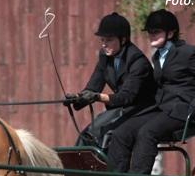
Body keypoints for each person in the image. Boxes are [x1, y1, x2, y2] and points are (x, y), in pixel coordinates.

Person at [107, 9, 195, 176]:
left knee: (147, 132)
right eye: (150, 32)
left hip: (181, 109)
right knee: (122, 131)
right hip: (161, 108)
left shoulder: (189, 53)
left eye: (156, 31)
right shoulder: (157, 56)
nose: (152, 35)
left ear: (171, 33)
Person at [64, 12, 156, 148]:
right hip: (122, 109)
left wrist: (96, 97)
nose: (104, 45)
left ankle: (107, 168)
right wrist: (78, 98)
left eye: (109, 40)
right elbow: (94, 86)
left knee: (105, 134)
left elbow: (126, 97)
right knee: (87, 135)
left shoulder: (138, 62)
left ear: (123, 40)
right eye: (102, 40)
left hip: (143, 111)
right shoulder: (105, 56)